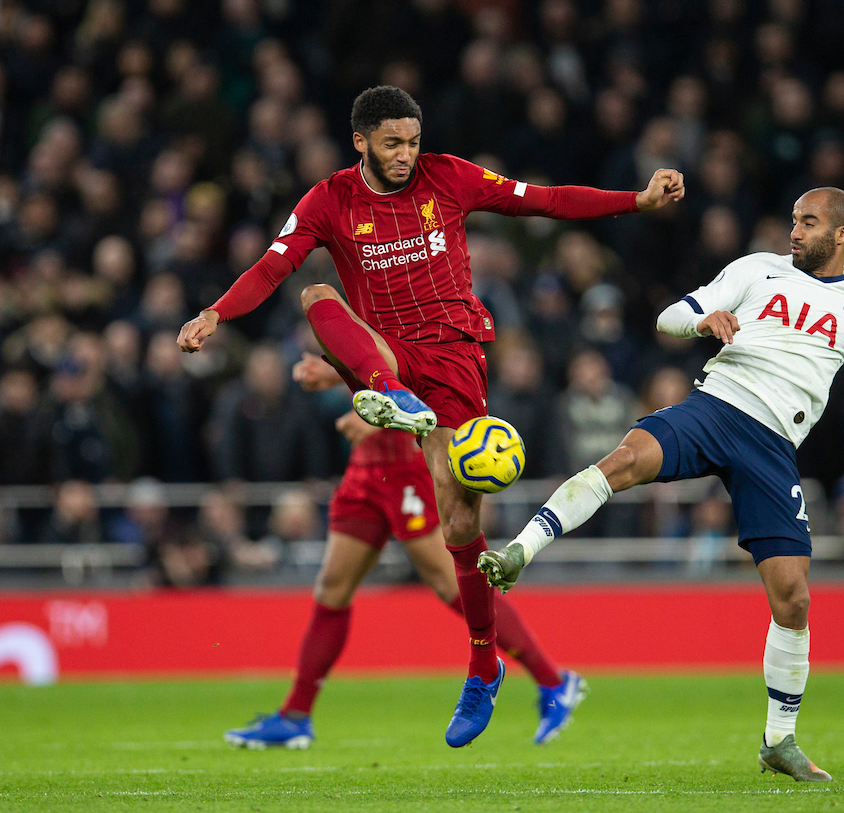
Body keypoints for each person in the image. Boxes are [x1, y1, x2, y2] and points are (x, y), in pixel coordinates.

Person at [177, 83, 680, 747]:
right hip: (390, 358)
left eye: (412, 141)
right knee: (316, 290)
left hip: (453, 359)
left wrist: (635, 201)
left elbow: (544, 201)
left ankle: (483, 665)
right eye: (392, 143)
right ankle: (390, 396)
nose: (405, 155)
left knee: (460, 522)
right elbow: (273, 266)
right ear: (360, 141)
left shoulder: (448, 176)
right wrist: (217, 311)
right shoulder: (329, 200)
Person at [479, 188, 844, 782]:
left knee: (793, 598)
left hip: (773, 448)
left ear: (842, 234)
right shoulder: (755, 269)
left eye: (808, 223)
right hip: (717, 406)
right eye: (792, 220)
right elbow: (670, 315)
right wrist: (704, 319)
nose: (794, 231)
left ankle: (779, 740)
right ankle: (520, 550)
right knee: (624, 460)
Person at [224, 354, 586, 749]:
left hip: (407, 464)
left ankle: (553, 680)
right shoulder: (356, 305)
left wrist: (369, 417)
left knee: (454, 587)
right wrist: (335, 370)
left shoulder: (404, 299)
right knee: (332, 587)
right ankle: (296, 715)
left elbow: (410, 366)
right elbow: (372, 358)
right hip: (366, 469)